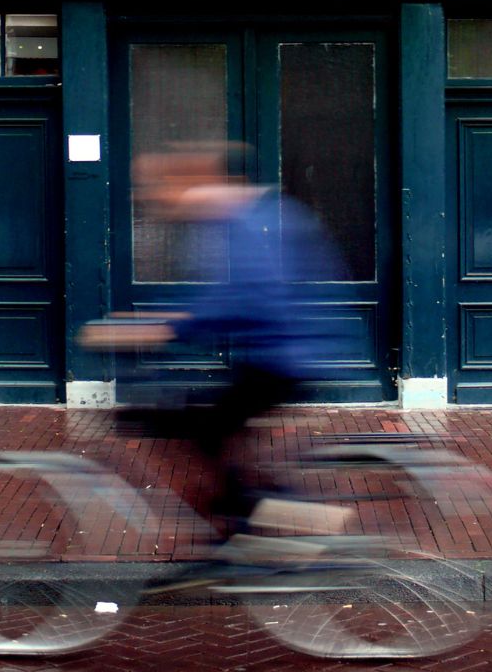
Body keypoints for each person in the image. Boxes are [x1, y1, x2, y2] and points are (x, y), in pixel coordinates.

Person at [83, 142, 350, 531]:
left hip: (283, 357)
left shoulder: (242, 221)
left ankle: (280, 522)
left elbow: (252, 295)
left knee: (206, 428)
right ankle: (244, 516)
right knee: (211, 428)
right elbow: (230, 296)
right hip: (291, 348)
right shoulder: (258, 213)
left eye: (164, 184)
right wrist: (171, 321)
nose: (157, 198)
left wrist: (169, 328)